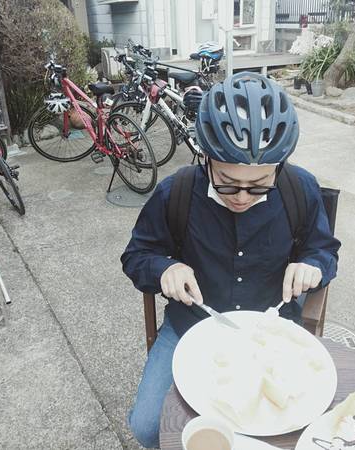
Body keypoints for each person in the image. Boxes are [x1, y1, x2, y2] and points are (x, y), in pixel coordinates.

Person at [121, 72, 341, 448]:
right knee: (147, 427)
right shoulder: (177, 191)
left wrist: (313, 266)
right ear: (205, 157)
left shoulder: (299, 188)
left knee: (292, 430)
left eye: (258, 185)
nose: (241, 196)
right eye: (227, 181)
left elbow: (325, 252)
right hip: (190, 328)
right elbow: (137, 255)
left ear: (280, 166)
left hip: (272, 334)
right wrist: (165, 268)